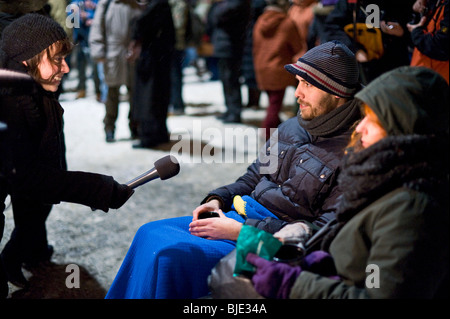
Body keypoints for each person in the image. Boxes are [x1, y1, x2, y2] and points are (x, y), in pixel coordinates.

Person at [105, 40, 362, 299]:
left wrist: (243, 231)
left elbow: (321, 233)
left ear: (336, 92)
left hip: (268, 242)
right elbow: (253, 177)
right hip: (236, 216)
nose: (297, 93)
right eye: (298, 82)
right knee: (148, 234)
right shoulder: (292, 126)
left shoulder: (354, 151)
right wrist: (218, 198)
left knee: (167, 256)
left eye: (308, 84)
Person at [245, 66, 449, 299]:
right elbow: (353, 246)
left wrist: (292, 284)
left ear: (403, 130)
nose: (360, 127)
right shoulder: (380, 179)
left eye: (373, 121)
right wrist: (304, 235)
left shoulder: (411, 209)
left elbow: (375, 290)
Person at [0, 13, 134, 290]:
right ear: (28, 60)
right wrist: (99, 188)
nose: (68, 69)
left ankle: (13, 259)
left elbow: (43, 173)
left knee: (36, 210)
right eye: (57, 60)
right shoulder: (10, 103)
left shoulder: (37, 90)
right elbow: (27, 177)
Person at [322, 0, 415, 84]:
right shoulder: (350, 3)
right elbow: (332, 28)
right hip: (362, 68)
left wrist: (403, 32)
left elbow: (420, 34)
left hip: (396, 66)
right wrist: (355, 51)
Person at [89, 0, 141, 142]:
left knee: (134, 94)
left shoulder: (135, 4)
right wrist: (98, 50)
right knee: (112, 93)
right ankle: (110, 127)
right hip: (113, 54)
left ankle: (135, 125)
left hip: (132, 54)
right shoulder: (106, 4)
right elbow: (97, 27)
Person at [252, 0, 304, 139]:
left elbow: (255, 46)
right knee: (274, 107)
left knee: (272, 103)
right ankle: (267, 136)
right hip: (278, 69)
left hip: (261, 67)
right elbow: (297, 47)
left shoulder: (259, 22)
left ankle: (276, 131)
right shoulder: (286, 23)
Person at [128, 0, 175, 149]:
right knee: (159, 96)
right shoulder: (162, 4)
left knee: (148, 98)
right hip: (161, 57)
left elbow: (140, 25)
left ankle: (149, 136)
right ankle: (159, 133)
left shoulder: (157, 4)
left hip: (152, 58)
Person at [209, 0, 251, 123]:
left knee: (231, 80)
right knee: (226, 80)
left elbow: (217, 16)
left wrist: (216, 5)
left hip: (231, 46)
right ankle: (230, 109)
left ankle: (235, 112)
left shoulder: (236, 3)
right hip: (224, 45)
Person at [407, 0, 449, 84]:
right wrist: (420, 9)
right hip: (420, 76)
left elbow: (440, 46)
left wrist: (416, 32)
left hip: (437, 83)